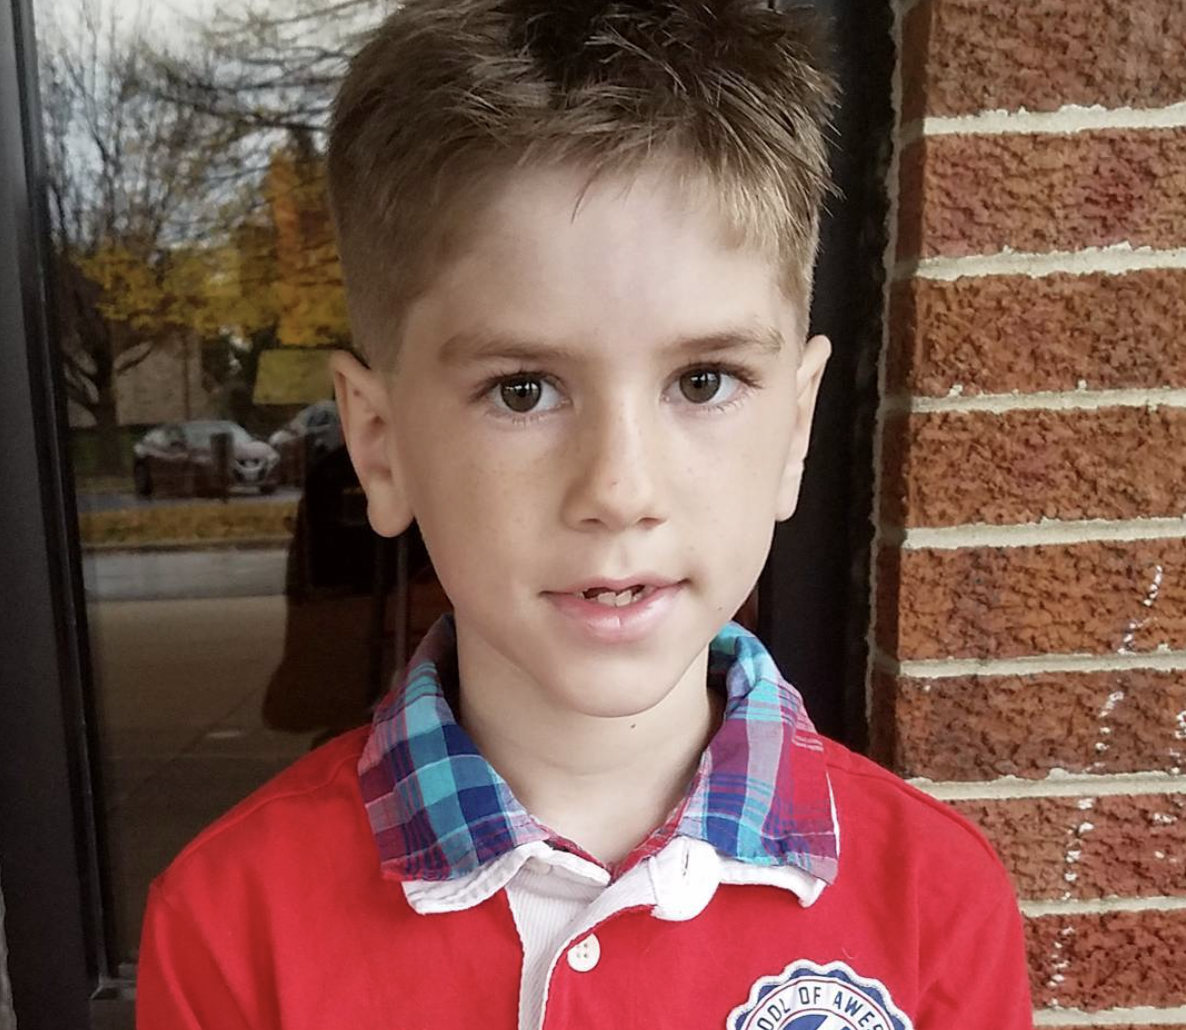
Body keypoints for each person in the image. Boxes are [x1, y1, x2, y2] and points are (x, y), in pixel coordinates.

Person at [136, 2, 1034, 1027]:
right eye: (523, 391)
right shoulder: (231, 924)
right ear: (380, 445)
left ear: (794, 429)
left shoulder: (935, 904)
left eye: (703, 380)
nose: (620, 488)